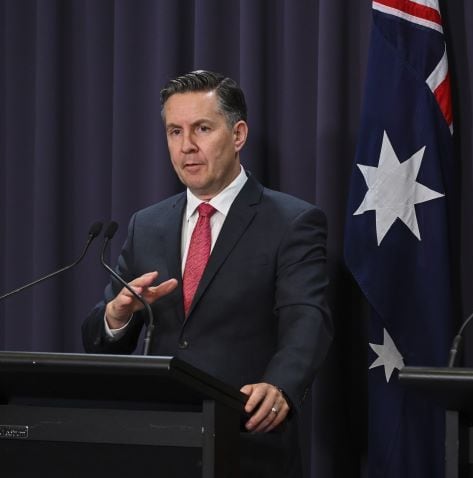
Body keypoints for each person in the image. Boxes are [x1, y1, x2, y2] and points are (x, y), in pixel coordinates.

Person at [82, 70, 332, 477]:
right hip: (158, 444)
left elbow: (307, 318)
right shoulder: (147, 225)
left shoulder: (291, 221)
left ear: (238, 135)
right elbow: (101, 343)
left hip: (246, 440)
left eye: (202, 128)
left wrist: (280, 386)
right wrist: (118, 315)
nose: (187, 147)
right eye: (174, 132)